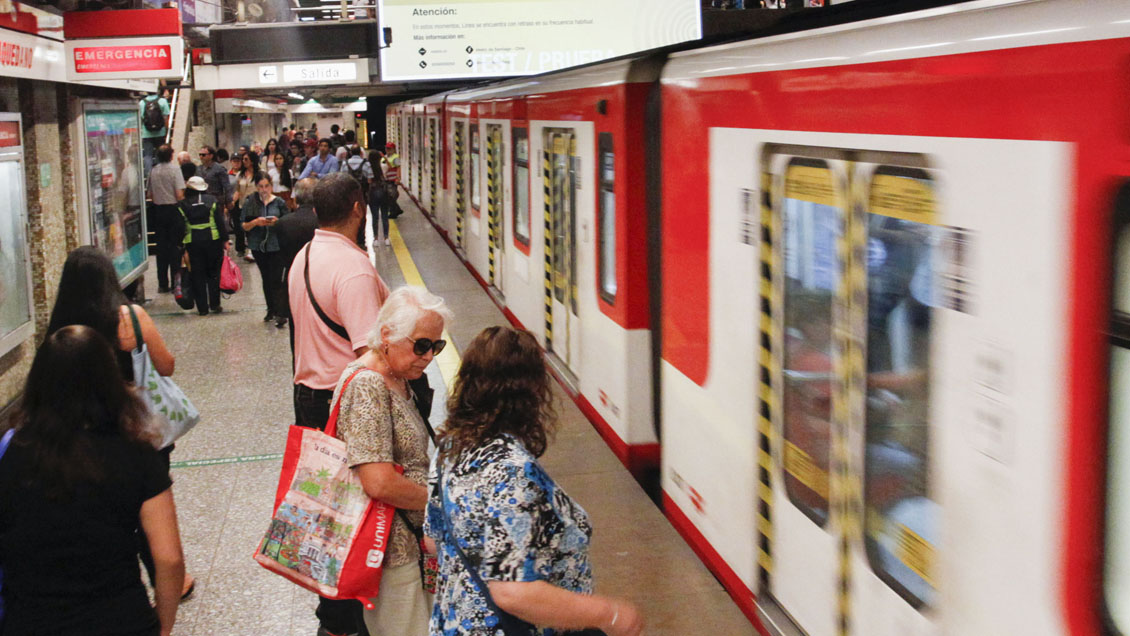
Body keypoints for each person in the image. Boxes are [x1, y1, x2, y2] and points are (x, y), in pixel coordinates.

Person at [425, 326, 644, 636]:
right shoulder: (513, 472)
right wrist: (611, 614)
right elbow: (512, 592)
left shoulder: (450, 447)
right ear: (531, 393)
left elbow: (433, 541)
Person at [0, 326, 186, 636]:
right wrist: (163, 625)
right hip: (121, 619)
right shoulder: (137, 454)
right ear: (109, 380)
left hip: (31, 620)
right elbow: (169, 558)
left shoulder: (10, 454)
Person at [44, 246, 196, 602]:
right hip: (135, 429)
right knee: (148, 506)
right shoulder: (130, 317)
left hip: (80, 434)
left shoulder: (61, 326)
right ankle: (169, 579)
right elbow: (166, 366)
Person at [288, 173, 390, 636]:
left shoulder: (306, 255)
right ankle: (346, 620)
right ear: (357, 207)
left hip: (311, 398)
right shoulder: (353, 269)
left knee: (331, 515)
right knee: (355, 517)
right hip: (344, 403)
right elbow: (369, 357)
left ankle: (335, 617)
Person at [330, 286, 452, 635]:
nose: (429, 356)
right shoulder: (368, 386)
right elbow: (378, 482)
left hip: (409, 541)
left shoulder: (397, 377)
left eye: (437, 346)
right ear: (387, 335)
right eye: (421, 345)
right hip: (389, 550)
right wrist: (441, 504)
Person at [276, 177, 320, 361]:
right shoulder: (323, 221)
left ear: (296, 198)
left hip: (294, 284)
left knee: (297, 334)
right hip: (320, 282)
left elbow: (281, 256)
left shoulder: (283, 223)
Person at [242, 173, 289, 328]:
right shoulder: (250, 202)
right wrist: (256, 222)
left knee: (276, 278)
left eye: (266, 186)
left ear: (271, 186)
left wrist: (277, 222)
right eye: (261, 186)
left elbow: (288, 222)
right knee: (266, 278)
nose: (264, 190)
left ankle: (280, 311)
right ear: (256, 187)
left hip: (276, 245)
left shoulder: (279, 202)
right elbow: (243, 225)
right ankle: (270, 309)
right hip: (258, 246)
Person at [180, 176, 229, 316]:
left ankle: (202, 308)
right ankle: (215, 304)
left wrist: (181, 246)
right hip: (213, 240)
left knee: (197, 274)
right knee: (213, 273)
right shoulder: (212, 201)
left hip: (193, 242)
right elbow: (219, 222)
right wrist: (225, 240)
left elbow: (180, 226)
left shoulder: (182, 204)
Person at [146, 144, 185, 293]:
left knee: (161, 249)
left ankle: (162, 283)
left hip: (158, 212)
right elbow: (179, 195)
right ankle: (176, 282)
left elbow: (149, 194)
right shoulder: (175, 170)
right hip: (173, 211)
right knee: (175, 248)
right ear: (171, 155)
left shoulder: (153, 171)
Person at [232, 152, 260, 262]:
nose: (243, 161)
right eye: (243, 159)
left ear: (252, 160)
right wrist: (232, 202)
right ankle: (242, 248)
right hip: (242, 204)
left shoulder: (260, 174)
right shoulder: (240, 174)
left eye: (246, 159)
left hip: (255, 204)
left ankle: (252, 250)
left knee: (252, 227)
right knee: (241, 227)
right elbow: (237, 190)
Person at [139, 89, 170, 175]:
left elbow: (141, 118)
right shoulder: (162, 101)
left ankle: (149, 175)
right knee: (159, 153)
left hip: (146, 133)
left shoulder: (142, 103)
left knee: (147, 155)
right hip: (160, 132)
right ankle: (159, 173)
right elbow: (166, 117)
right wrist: (166, 129)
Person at [198, 146, 232, 223]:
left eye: (203, 155)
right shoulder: (198, 169)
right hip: (202, 201)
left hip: (216, 201)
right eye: (200, 155)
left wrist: (229, 201)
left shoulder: (219, 169)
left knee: (217, 222)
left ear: (211, 156)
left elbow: (226, 186)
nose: (201, 157)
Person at [367, 149, 391, 248]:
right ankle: (386, 238)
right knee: (385, 216)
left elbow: (369, 181)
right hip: (383, 193)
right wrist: (384, 157)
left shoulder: (368, 168)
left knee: (375, 217)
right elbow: (390, 166)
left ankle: (376, 239)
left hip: (373, 194)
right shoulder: (383, 166)